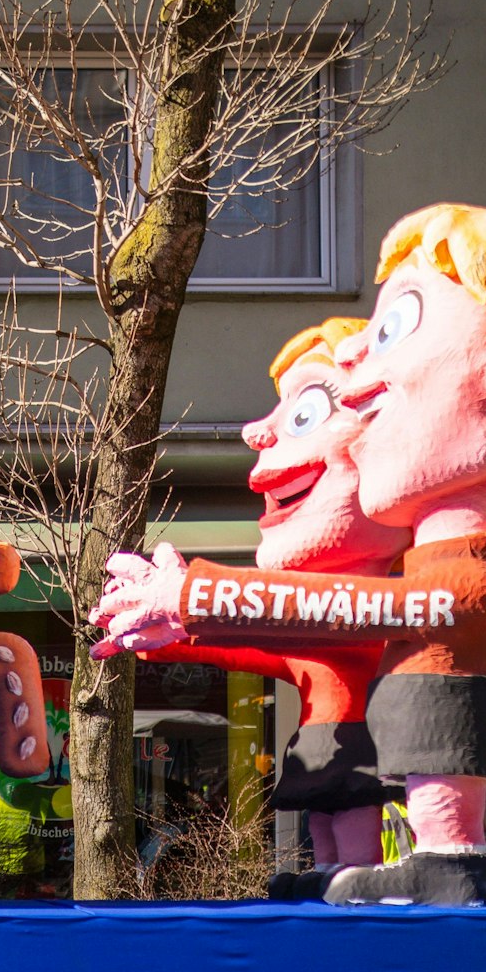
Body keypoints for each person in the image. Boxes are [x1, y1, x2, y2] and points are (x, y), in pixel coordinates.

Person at [94, 205, 486, 905]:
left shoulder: (470, 571)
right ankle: (357, 868)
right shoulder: (426, 568)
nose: (355, 381)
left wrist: (201, 599)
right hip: (391, 719)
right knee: (367, 788)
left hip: (439, 711)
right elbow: (306, 635)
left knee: (436, 758)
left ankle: (445, 857)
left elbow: (363, 612)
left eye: (392, 331)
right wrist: (190, 630)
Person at [108, 320, 410, 894]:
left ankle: (361, 882)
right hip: (320, 741)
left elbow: (287, 624)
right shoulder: (313, 606)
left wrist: (191, 606)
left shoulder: (382, 599)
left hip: (358, 740)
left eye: (305, 414)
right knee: (323, 819)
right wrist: (176, 635)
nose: (258, 435)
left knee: (350, 810)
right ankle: (330, 876)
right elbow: (268, 646)